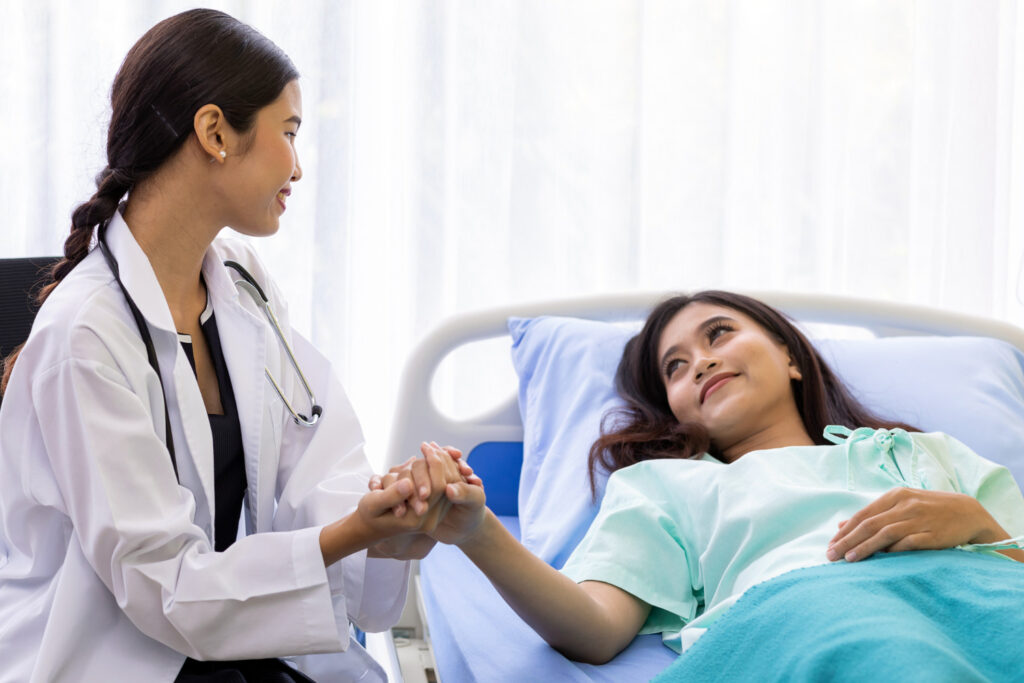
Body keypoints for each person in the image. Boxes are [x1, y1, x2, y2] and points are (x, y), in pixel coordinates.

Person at [0, 9, 467, 682]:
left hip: (211, 643)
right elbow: (163, 584)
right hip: (107, 656)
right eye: (288, 132)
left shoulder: (240, 283)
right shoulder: (85, 338)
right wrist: (354, 532)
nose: (299, 168)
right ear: (216, 132)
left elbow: (316, 460)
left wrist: (390, 514)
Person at [382, 290, 1024, 680]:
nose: (703, 362)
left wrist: (978, 524)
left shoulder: (922, 452)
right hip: (820, 610)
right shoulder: (667, 487)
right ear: (675, 407)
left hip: (987, 594)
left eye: (719, 334)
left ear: (791, 358)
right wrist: (479, 532)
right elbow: (595, 629)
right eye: (676, 367)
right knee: (895, 661)